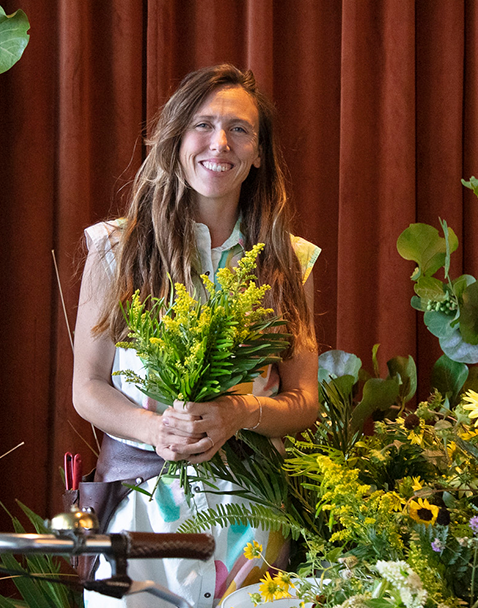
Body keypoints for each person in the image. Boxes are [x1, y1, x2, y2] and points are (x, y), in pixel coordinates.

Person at [72, 63, 320, 608]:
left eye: (240, 129)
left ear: (259, 153)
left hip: (253, 518)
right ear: (176, 139)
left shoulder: (288, 260)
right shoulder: (116, 249)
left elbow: (305, 401)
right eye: (202, 125)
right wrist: (157, 429)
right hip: (137, 516)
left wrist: (240, 412)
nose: (220, 143)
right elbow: (87, 388)